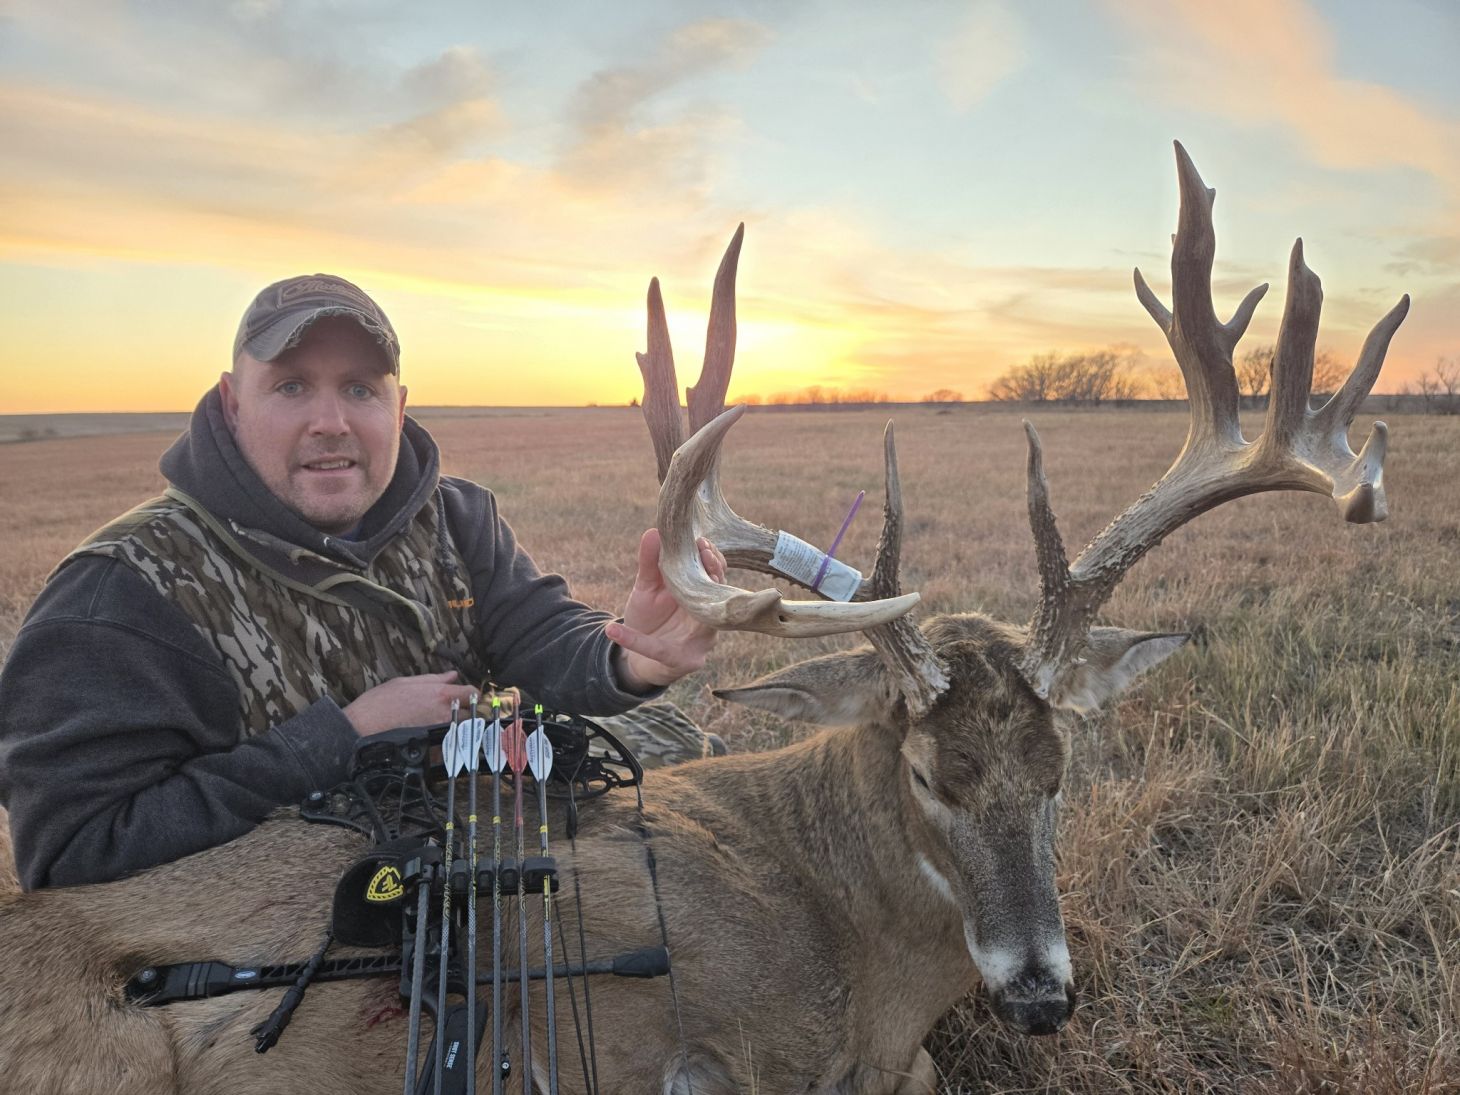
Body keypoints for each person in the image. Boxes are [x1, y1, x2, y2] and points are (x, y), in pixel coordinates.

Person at [0, 273, 725, 891]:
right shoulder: (120, 595)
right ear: (231, 401)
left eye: (359, 388)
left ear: (399, 405)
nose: (331, 422)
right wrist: (344, 737)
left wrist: (627, 653)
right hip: (257, 970)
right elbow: (71, 855)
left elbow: (537, 636)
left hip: (458, 873)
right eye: (290, 386)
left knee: (688, 763)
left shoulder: (456, 515)